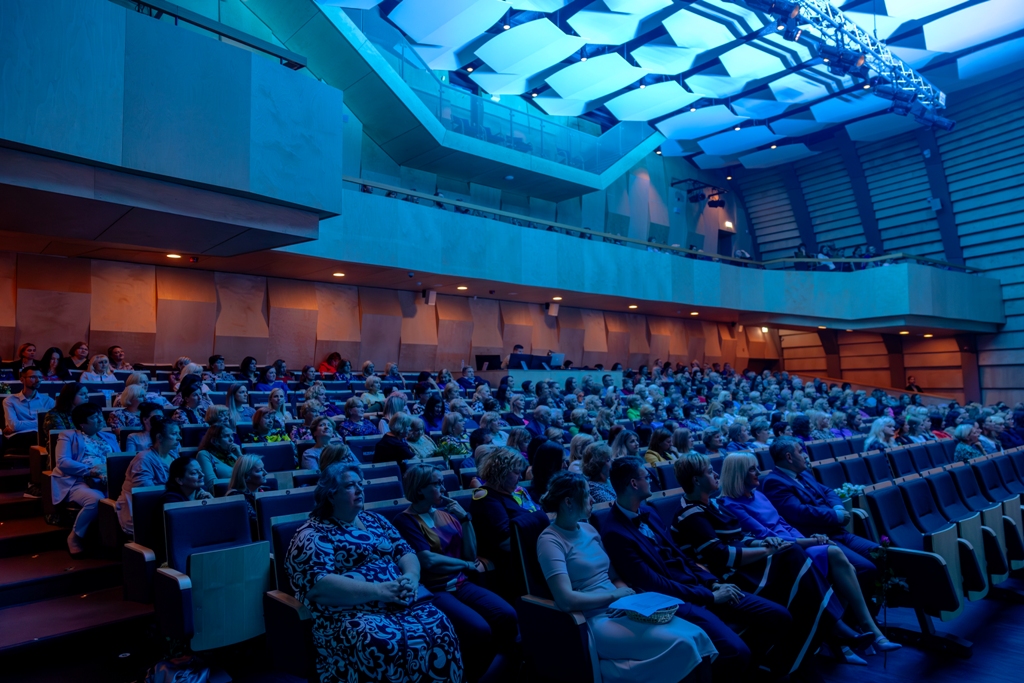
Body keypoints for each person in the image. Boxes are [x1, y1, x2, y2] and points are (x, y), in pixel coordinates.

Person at [671, 453, 877, 673]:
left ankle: (820, 639)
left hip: (742, 567)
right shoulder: (690, 514)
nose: (715, 474)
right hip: (727, 578)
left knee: (794, 559)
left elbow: (738, 538)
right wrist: (766, 550)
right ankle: (831, 629)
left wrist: (763, 542)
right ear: (696, 480)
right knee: (793, 556)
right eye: (709, 471)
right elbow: (721, 555)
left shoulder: (712, 505)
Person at [600, 456, 791, 680]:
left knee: (780, 616)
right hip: (676, 600)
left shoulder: (648, 512)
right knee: (736, 652)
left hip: (700, 585)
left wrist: (713, 582)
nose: (651, 480)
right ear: (634, 484)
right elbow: (653, 584)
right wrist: (710, 596)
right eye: (646, 476)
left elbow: (681, 556)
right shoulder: (615, 532)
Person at [286, 464, 463, 682]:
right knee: (383, 644)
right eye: (350, 486)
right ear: (330, 495)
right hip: (351, 614)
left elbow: (406, 552)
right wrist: (379, 591)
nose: (359, 489)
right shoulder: (312, 534)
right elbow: (319, 586)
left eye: (360, 484)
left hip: (400, 602)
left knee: (441, 626)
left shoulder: (375, 520)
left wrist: (411, 576)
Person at [537, 471, 717, 683]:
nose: (592, 499)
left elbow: (614, 576)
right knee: (682, 644)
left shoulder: (588, 528)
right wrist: (614, 597)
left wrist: (627, 600)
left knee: (697, 635)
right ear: (568, 502)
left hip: (621, 607)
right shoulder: (550, 541)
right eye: (586, 494)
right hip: (594, 618)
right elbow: (566, 600)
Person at [719, 453, 898, 661]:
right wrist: (810, 542)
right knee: (834, 554)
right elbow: (767, 536)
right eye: (752, 469)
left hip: (796, 543)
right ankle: (863, 630)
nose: (758, 472)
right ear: (738, 474)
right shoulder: (730, 504)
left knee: (842, 564)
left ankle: (847, 637)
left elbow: (783, 524)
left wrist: (810, 539)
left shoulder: (758, 495)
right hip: (779, 554)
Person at [395, 464, 520, 682]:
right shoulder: (405, 521)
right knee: (479, 629)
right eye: (437, 484)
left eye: (442, 482)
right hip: (434, 590)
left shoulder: (447, 515)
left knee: (507, 615)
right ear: (420, 488)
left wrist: (465, 519)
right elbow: (428, 561)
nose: (443, 488)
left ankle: (507, 670)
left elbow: (471, 554)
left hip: (461, 583)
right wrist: (465, 565)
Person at [757, 438, 879, 589]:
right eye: (801, 451)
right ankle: (859, 604)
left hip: (838, 532)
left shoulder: (804, 473)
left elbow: (827, 491)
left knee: (881, 554)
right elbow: (800, 512)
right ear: (789, 457)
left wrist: (838, 508)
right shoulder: (774, 482)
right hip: (819, 538)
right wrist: (836, 516)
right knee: (867, 568)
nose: (806, 455)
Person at [52, 403, 118, 554]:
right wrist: (91, 471)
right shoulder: (68, 436)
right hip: (77, 481)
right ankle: (74, 537)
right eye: (94, 417)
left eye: (100, 415)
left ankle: (115, 541)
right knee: (95, 500)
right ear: (82, 423)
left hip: (108, 480)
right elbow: (62, 462)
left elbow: (118, 459)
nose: (100, 419)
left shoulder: (110, 437)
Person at [469, 447, 539, 569]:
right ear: (501, 472)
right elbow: (506, 541)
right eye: (516, 472)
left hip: (524, 555)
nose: (520, 477)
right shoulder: (486, 498)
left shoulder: (503, 493)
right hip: (510, 564)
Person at [116, 417, 181, 534]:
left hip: (169, 507)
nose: (179, 438)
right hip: (143, 513)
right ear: (159, 437)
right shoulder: (143, 460)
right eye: (174, 434)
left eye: (179, 433)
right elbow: (147, 496)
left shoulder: (174, 456)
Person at [3, 367, 56, 453]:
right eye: (33, 377)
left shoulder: (48, 401)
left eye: (40, 377)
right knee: (38, 437)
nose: (38, 380)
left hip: (41, 436)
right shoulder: (10, 400)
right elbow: (14, 426)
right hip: (18, 436)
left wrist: (19, 425)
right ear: (22, 380)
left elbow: (52, 423)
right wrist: (41, 423)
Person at [226, 455, 268, 537]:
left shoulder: (266, 490)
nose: (266, 473)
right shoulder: (236, 498)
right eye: (259, 470)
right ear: (246, 476)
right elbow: (256, 524)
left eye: (263, 469)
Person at [197, 423, 244, 492]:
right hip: (227, 494)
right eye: (226, 436)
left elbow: (251, 473)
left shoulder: (234, 453)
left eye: (231, 435)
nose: (231, 439)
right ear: (214, 441)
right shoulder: (204, 454)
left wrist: (239, 455)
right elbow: (212, 486)